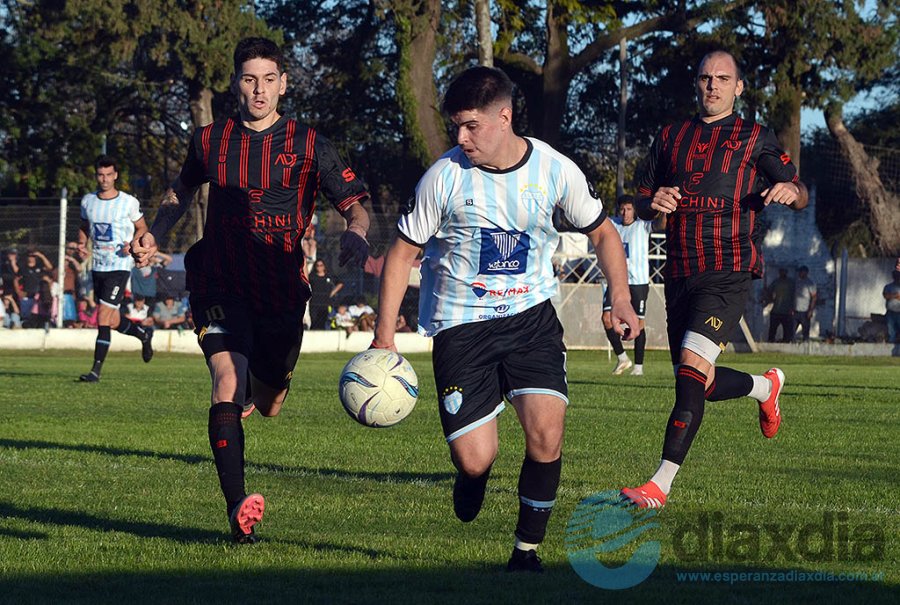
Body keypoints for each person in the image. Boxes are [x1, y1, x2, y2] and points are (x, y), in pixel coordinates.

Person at [371, 66, 638, 572]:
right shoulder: (444, 177)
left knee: (546, 434)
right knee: (476, 457)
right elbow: (402, 253)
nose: (462, 137)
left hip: (530, 320)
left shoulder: (555, 170)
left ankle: (526, 552)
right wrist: (385, 339)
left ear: (504, 117)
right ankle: (472, 479)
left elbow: (603, 233)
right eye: (457, 127)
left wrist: (620, 298)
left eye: (471, 125)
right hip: (461, 326)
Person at [130, 37, 371, 544]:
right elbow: (182, 189)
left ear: (283, 83)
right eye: (248, 79)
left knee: (271, 401)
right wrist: (155, 229)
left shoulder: (309, 144)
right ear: (236, 83)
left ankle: (250, 398)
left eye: (268, 79)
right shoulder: (210, 140)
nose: (258, 90)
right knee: (225, 379)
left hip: (281, 288)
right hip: (219, 276)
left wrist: (356, 230)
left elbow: (355, 203)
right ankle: (239, 509)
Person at [621, 50, 809, 510]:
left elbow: (800, 192)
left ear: (738, 87)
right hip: (681, 270)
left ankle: (659, 485)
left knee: (689, 373)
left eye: (723, 79)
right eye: (706, 78)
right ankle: (765, 389)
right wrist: (652, 201)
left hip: (728, 270)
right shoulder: (670, 137)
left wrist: (790, 190)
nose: (713, 86)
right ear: (697, 84)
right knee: (696, 383)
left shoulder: (755, 137)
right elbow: (638, 197)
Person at [76, 155, 155, 382]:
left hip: (119, 266)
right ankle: (142, 334)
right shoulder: (88, 201)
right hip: (98, 265)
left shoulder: (127, 202)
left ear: (116, 175)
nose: (105, 179)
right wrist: (82, 244)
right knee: (111, 320)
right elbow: (83, 226)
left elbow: (142, 228)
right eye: (101, 175)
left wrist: (133, 243)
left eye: (109, 175)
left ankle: (95, 371)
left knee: (102, 316)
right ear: (96, 175)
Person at [602, 194, 658, 375]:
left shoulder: (642, 225)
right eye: (623, 209)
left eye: (629, 209)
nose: (626, 213)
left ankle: (639, 368)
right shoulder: (614, 225)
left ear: (635, 210)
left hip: (638, 282)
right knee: (606, 318)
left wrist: (664, 210)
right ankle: (622, 358)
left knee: (638, 323)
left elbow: (661, 225)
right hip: (617, 280)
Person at [307, 259, 343, 329]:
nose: (319, 267)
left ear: (324, 266)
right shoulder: (312, 276)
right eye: (317, 266)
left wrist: (332, 293)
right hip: (314, 303)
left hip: (325, 303)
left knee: (323, 322)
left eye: (321, 265)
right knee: (314, 322)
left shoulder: (329, 276)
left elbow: (340, 284)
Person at [765, 267, 795, 343]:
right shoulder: (776, 282)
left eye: (784, 272)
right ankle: (770, 342)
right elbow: (769, 291)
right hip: (776, 309)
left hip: (787, 311)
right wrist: (770, 299)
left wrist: (793, 307)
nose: (783, 273)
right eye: (781, 272)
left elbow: (795, 295)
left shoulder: (790, 283)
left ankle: (786, 342)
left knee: (787, 330)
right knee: (772, 329)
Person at [792, 265, 817, 342]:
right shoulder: (797, 282)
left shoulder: (810, 283)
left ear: (806, 273)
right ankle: (791, 344)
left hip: (805, 311)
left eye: (801, 272)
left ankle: (805, 344)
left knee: (805, 331)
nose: (800, 273)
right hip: (796, 310)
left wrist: (811, 310)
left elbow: (814, 297)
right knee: (791, 330)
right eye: (799, 272)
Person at [884, 270, 900, 344]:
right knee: (891, 330)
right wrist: (895, 296)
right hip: (890, 312)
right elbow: (886, 295)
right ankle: (891, 343)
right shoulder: (888, 286)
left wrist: (892, 295)